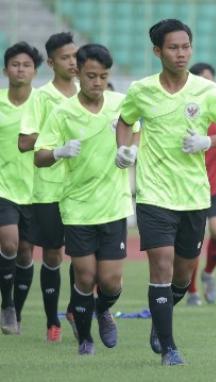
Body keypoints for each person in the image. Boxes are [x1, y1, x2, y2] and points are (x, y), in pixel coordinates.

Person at [115, 18, 216, 365]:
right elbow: (126, 120)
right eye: (173, 47)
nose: (181, 53)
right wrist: (123, 150)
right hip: (154, 194)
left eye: (186, 46)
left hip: (195, 195)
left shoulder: (207, 91)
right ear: (158, 51)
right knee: (162, 266)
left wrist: (208, 140)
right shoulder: (142, 90)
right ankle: (169, 347)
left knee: (183, 276)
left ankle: (162, 316)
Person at [34, 43, 138, 355]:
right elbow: (39, 156)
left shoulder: (121, 104)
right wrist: (58, 152)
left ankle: (103, 309)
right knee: (85, 275)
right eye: (91, 76)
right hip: (77, 207)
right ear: (78, 73)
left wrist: (129, 151)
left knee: (110, 282)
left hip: (114, 204)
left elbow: (136, 131)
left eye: (103, 76)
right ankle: (85, 339)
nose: (97, 82)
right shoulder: (62, 112)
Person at [18, 32, 78, 343]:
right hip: (50, 189)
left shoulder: (88, 93)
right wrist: (56, 140)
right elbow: (25, 141)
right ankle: (51, 318)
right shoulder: (40, 97)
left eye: (75, 55)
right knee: (53, 254)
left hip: (84, 189)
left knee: (83, 255)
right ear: (52, 62)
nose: (73, 62)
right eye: (66, 57)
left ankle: (74, 309)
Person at [183, 62, 216, 306]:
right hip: (190, 187)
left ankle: (208, 273)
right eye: (204, 79)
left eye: (211, 79)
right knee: (191, 241)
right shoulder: (185, 112)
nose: (209, 83)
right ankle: (192, 290)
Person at [0, 42, 43, 335]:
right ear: (5, 70)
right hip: (4, 187)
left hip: (36, 189)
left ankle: (18, 307)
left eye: (26, 65)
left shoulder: (44, 104)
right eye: (15, 64)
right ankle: (7, 305)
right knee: (9, 244)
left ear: (35, 71)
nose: (20, 69)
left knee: (27, 253)